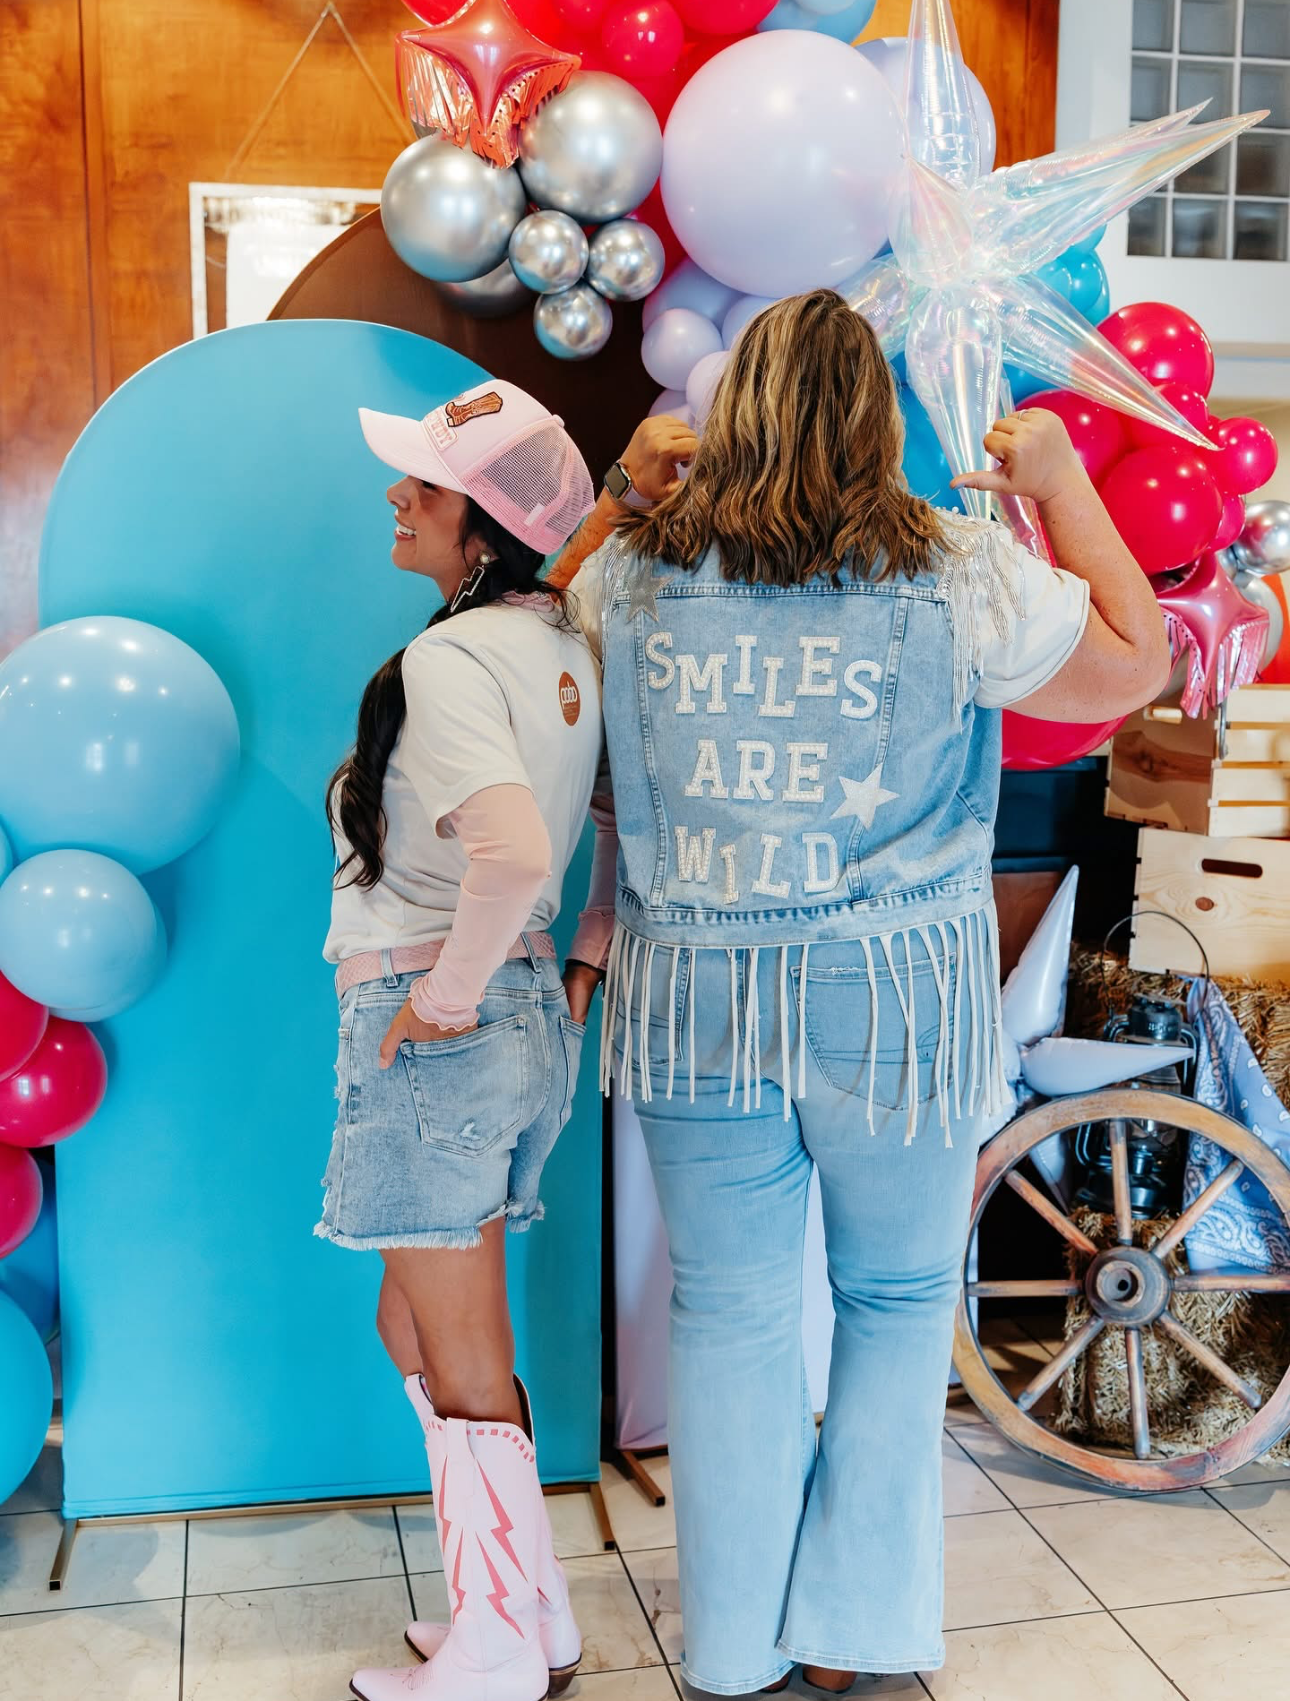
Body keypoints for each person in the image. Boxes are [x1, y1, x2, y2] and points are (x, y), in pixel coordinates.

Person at [560, 291, 1170, 1696]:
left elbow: (544, 629)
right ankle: (852, 1633)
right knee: (893, 1305)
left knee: (725, 1310)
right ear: (877, 413)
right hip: (889, 996)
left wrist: (616, 493)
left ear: (733, 407)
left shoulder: (636, 572)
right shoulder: (955, 567)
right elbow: (1134, 664)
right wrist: (1065, 482)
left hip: (692, 986)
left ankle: (726, 1649)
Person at [316, 377, 694, 1701]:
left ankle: (493, 1646)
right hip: (514, 1024)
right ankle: (522, 1611)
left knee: (455, 1353)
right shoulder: (560, 647)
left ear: (475, 523)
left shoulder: (453, 660)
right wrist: (575, 957)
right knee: (419, 1334)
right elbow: (597, 825)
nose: (394, 495)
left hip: (445, 1026)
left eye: (418, 482)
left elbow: (518, 846)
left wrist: (446, 998)